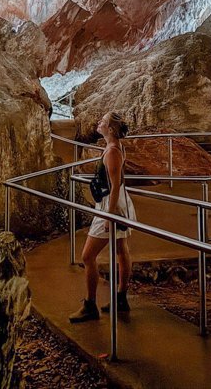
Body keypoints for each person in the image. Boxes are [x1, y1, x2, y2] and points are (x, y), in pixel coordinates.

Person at [69, 111, 136, 322]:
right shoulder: (112, 147)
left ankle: (90, 305)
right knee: (121, 249)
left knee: (88, 256)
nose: (99, 123)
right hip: (117, 203)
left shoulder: (113, 151)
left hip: (112, 205)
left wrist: (109, 216)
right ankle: (121, 298)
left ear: (111, 129)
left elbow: (115, 185)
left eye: (103, 122)